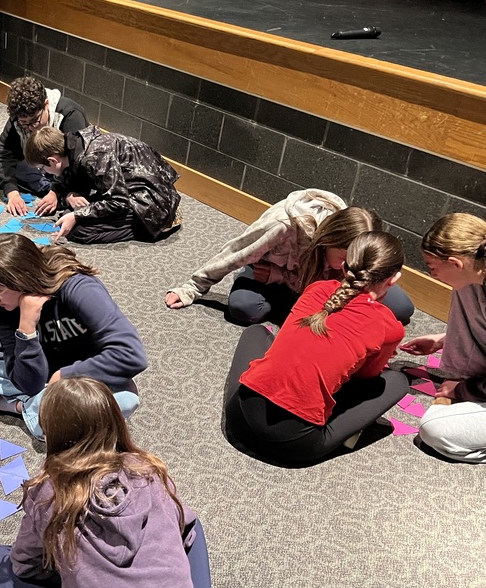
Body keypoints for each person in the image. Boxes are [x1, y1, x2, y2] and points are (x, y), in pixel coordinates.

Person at [0, 378, 218, 588]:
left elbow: (25, 566)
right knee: (190, 525)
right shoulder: (150, 472)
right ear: (116, 422)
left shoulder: (49, 492)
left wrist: (77, 574)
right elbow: (184, 534)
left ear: (52, 434)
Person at [224, 231, 409, 464]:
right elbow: (363, 380)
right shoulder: (389, 326)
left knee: (256, 332)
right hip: (296, 446)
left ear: (344, 267)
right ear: (393, 279)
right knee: (397, 381)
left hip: (238, 419)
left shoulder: (317, 288)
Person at [0, 234, 147, 440]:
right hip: (39, 373)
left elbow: (132, 354)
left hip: (83, 374)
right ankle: (44, 411)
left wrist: (64, 377)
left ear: (20, 279)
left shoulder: (77, 286)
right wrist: (26, 328)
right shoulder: (5, 309)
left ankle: (15, 406)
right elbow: (29, 383)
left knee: (125, 400)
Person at [165, 192, 415, 325]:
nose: (347, 268)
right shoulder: (282, 225)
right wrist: (192, 288)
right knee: (245, 308)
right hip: (269, 273)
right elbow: (234, 253)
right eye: (344, 259)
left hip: (303, 279)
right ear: (328, 239)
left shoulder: (355, 240)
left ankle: (301, 303)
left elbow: (354, 275)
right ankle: (299, 302)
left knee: (402, 309)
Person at [401, 213, 486, 463]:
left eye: (432, 267)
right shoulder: (477, 269)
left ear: (455, 263)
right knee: (465, 286)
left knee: (434, 429)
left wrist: (463, 390)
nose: (433, 275)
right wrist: (445, 339)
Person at [24, 125, 182, 244]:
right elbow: (78, 178)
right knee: (69, 214)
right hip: (136, 191)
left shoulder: (94, 156)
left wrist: (77, 215)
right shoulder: (74, 144)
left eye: (42, 168)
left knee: (79, 231)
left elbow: (119, 202)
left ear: (53, 160)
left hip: (153, 203)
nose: (44, 172)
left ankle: (148, 229)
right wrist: (65, 195)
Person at [0, 77, 89, 217]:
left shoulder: (71, 115)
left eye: (35, 121)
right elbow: (3, 153)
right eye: (24, 123)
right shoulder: (18, 117)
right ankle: (52, 189)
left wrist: (55, 192)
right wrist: (12, 193)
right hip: (41, 166)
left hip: (64, 168)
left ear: (46, 104)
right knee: (1, 177)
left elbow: (78, 160)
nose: (31, 128)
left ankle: (57, 192)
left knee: (76, 194)